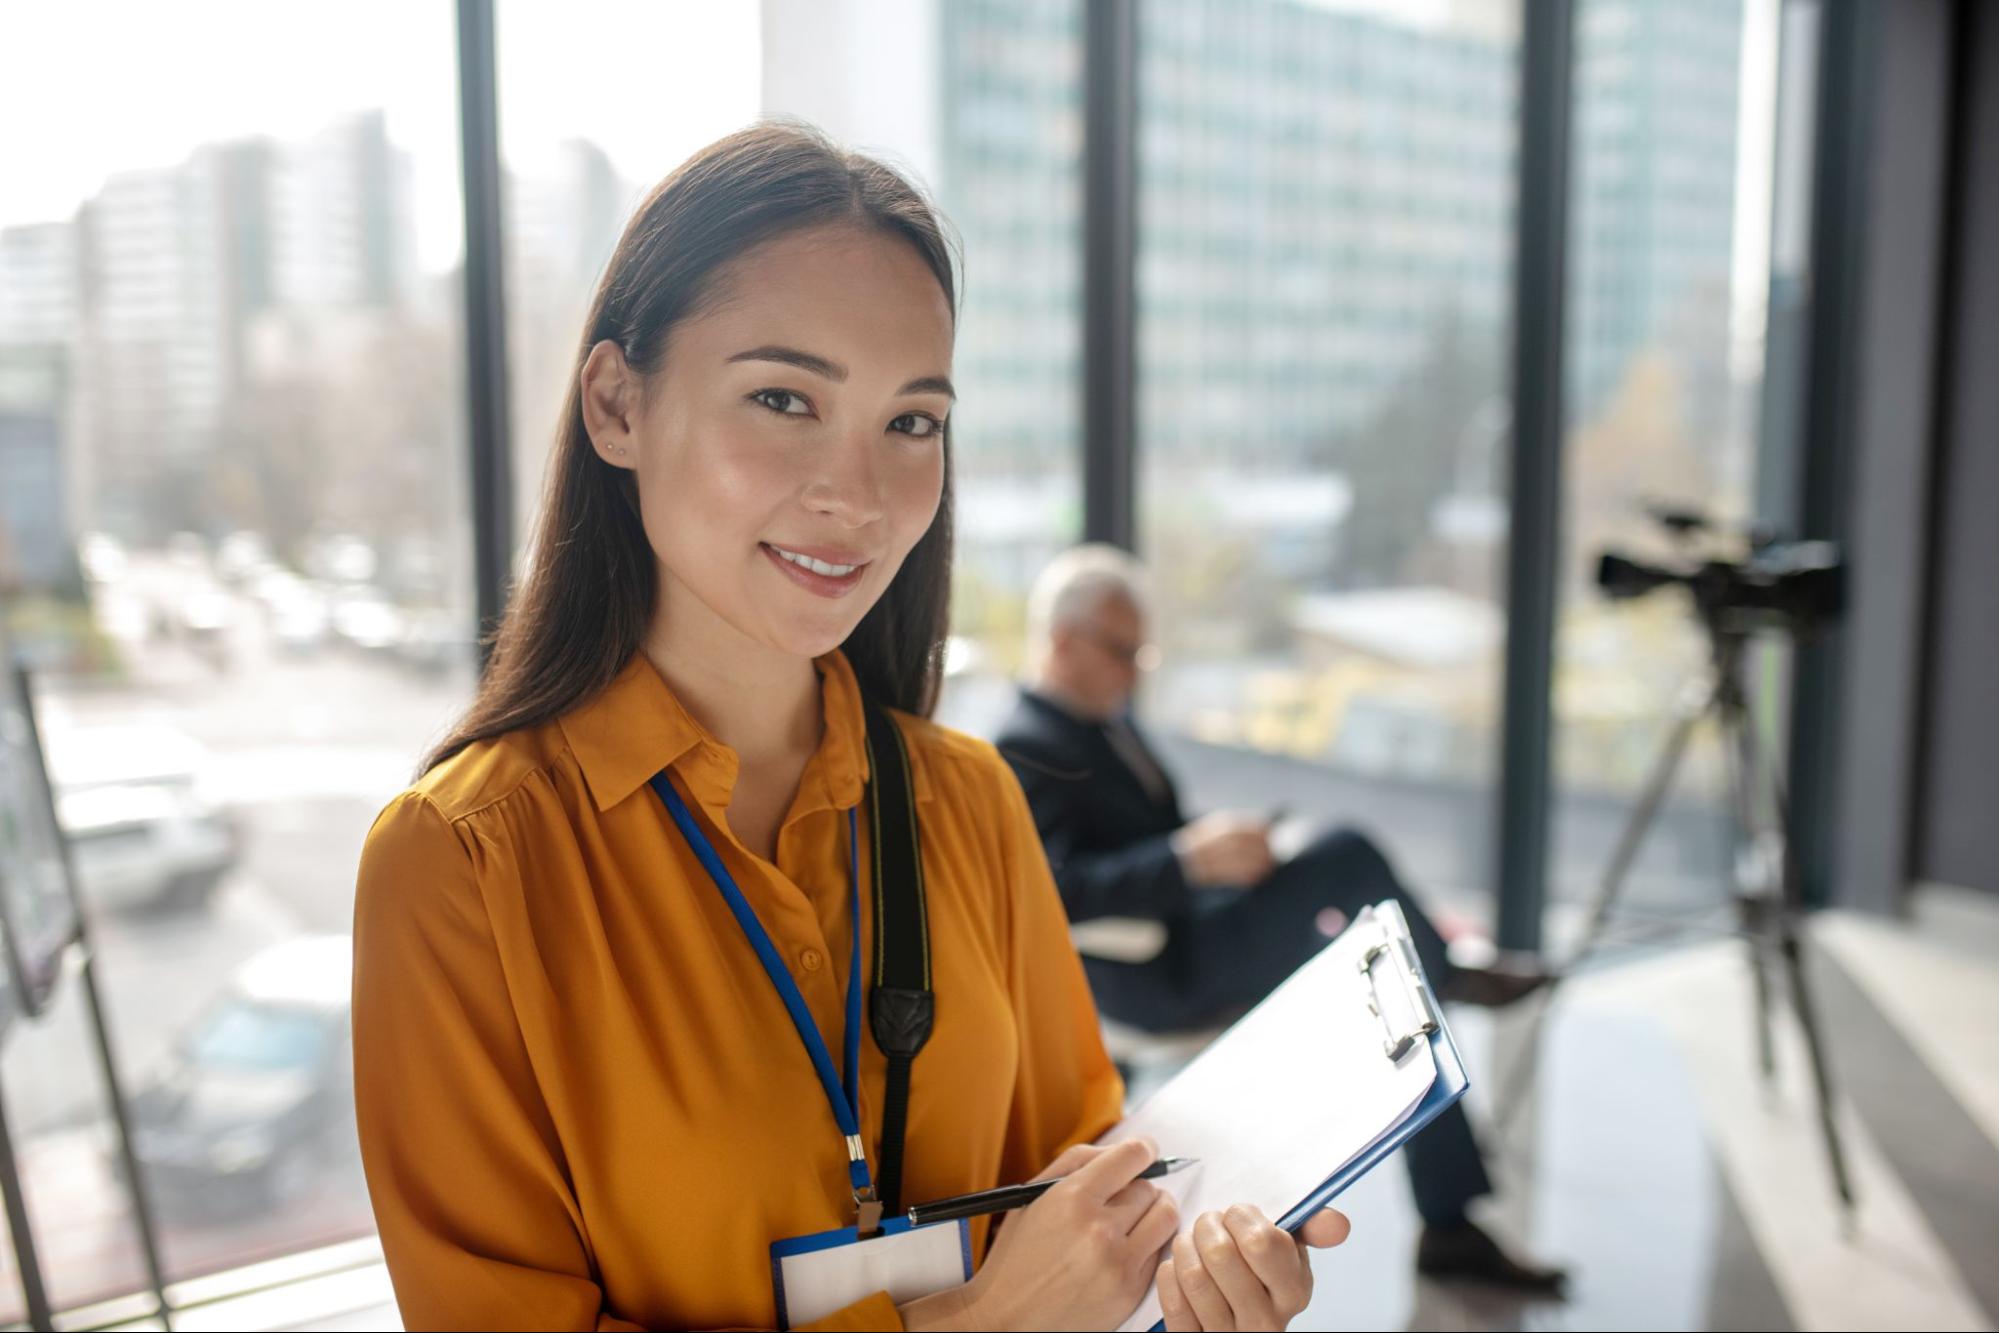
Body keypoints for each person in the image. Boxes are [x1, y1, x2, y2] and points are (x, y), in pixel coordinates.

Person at [351, 125, 1350, 1332]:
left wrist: (1194, 1258)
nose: (859, 495)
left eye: (911, 422)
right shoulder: (459, 864)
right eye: (783, 398)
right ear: (617, 403)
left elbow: (1082, 1179)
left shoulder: (971, 798)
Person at [996, 544, 1567, 1294]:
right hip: (1154, 970)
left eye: (1142, 652)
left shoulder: (1104, 725)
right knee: (1353, 868)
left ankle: (1451, 1209)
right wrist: (1186, 861)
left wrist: (1219, 849)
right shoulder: (1021, 746)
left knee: (1397, 986)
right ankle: (1449, 1010)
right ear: (1063, 643)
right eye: (1120, 650)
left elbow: (1145, 835)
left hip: (1193, 924)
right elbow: (1054, 891)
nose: (1134, 670)